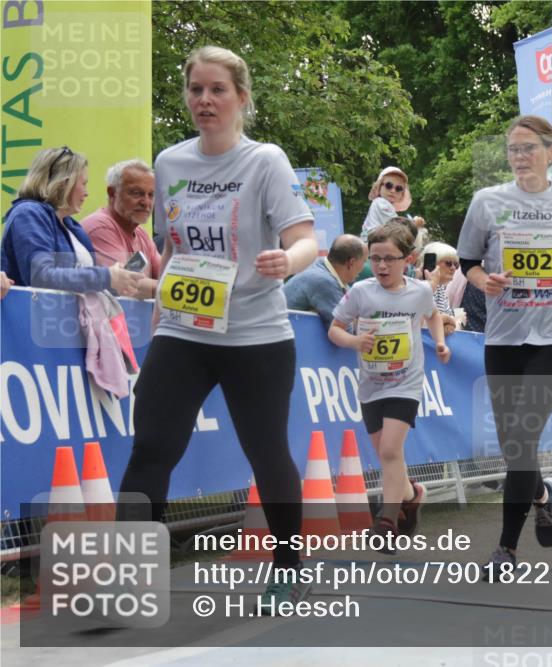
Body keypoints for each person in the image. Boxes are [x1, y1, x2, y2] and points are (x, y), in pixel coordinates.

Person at [117, 46, 318, 612]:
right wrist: (159, 308)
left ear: (241, 98)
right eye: (196, 89)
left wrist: (290, 260)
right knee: (152, 446)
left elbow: (306, 237)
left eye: (218, 90)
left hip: (255, 332)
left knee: (266, 450)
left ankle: (288, 566)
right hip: (184, 329)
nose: (205, 100)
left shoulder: (265, 161)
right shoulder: (170, 163)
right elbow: (170, 246)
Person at [457, 114, 552, 576]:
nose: (519, 157)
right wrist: (486, 281)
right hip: (504, 335)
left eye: (528, 148)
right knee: (512, 445)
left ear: (551, 152)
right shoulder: (487, 202)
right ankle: (541, 494)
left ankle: (505, 548)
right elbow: (467, 262)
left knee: (523, 436)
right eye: (512, 149)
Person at [329, 222, 450, 553]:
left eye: (389, 259)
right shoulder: (361, 292)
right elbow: (335, 328)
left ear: (407, 259)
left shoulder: (419, 292)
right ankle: (412, 494)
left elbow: (434, 315)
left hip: (406, 382)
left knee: (389, 451)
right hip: (370, 385)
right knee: (389, 458)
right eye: (376, 258)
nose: (381, 266)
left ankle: (387, 523)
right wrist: (355, 340)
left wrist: (439, 343)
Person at [1, 146, 143, 296]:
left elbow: (78, 283)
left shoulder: (71, 226)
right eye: (83, 183)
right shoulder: (28, 214)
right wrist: (107, 277)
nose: (86, 193)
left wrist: (117, 281)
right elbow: (41, 277)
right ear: (64, 183)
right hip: (32, 317)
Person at [81, 159, 162, 299]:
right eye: (137, 193)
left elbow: (166, 274)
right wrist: (179, 291)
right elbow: (125, 286)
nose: (146, 202)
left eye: (151, 195)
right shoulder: (100, 227)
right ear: (112, 193)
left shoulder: (140, 233)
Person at [283, 234, 367, 330]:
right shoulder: (324, 282)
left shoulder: (323, 270)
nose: (364, 267)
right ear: (351, 263)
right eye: (364, 261)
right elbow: (343, 331)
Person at [360, 166, 419, 242]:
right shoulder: (381, 203)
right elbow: (396, 226)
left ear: (402, 194)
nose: (393, 190)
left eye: (398, 188)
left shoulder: (382, 204)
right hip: (375, 245)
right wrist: (414, 223)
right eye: (389, 186)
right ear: (379, 187)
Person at [419, 241, 459, 317]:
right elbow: (431, 318)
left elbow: (447, 315)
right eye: (448, 263)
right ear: (433, 263)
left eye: (456, 264)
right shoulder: (423, 286)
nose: (453, 268)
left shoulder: (440, 287)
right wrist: (457, 321)